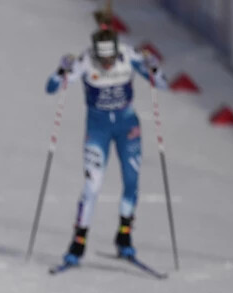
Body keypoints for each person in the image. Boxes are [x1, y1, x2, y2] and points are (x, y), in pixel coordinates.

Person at [45, 23, 167, 266]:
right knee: (92, 185)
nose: (108, 63)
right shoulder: (86, 60)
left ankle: (124, 238)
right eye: (103, 59)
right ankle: (78, 242)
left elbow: (161, 84)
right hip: (98, 130)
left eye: (111, 57)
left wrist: (154, 67)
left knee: (131, 181)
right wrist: (61, 70)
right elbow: (51, 88)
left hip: (127, 127)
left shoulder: (129, 56)